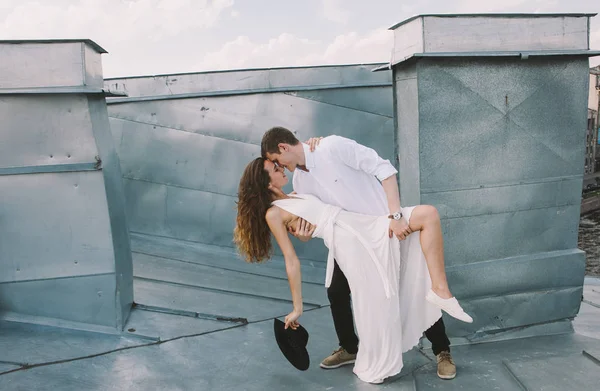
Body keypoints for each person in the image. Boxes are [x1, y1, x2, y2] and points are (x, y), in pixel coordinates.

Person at [233, 142, 471, 385]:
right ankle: (361, 352)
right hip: (349, 241)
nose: (280, 167)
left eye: (277, 162)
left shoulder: (299, 186)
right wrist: (297, 307)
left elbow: (311, 215)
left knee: (425, 220)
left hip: (361, 225)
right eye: (274, 168)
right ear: (266, 182)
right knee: (372, 299)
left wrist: (314, 143)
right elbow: (291, 260)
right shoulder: (274, 212)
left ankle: (440, 307)